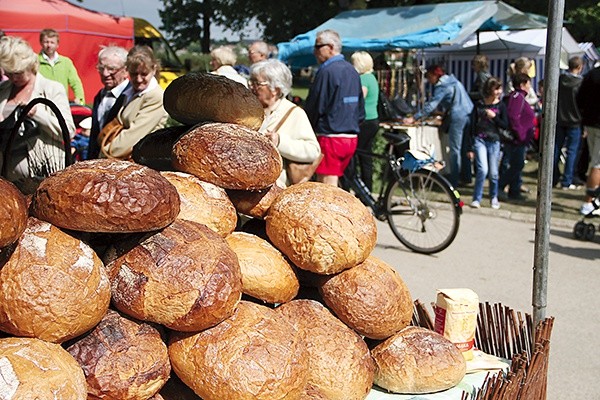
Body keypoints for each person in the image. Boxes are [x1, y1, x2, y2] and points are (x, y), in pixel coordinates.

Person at [0, 35, 75, 191]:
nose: (13, 78)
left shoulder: (52, 89)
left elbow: (68, 132)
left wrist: (37, 113)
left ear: (30, 64)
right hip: (6, 176)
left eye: (18, 72)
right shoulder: (3, 89)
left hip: (43, 177)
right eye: (9, 73)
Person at [304, 29, 364, 187]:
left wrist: (305, 127)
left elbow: (315, 105)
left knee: (326, 188)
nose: (314, 51)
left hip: (330, 138)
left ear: (330, 47)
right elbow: (360, 108)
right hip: (351, 138)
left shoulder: (326, 71)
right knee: (337, 185)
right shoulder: (352, 70)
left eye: (318, 46)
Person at [249, 59, 320, 187]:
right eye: (251, 82)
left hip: (278, 189)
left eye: (257, 83)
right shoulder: (249, 112)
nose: (251, 87)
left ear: (275, 89)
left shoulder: (294, 113)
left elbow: (313, 151)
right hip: (250, 184)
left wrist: (280, 142)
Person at [403, 65, 474, 187]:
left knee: (454, 150)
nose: (429, 80)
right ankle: (466, 177)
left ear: (435, 75)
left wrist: (415, 117)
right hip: (469, 113)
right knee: (464, 148)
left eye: (429, 77)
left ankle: (453, 181)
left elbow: (431, 105)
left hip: (457, 116)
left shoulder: (442, 86)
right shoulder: (453, 80)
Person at [99, 45, 168, 160]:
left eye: (144, 74)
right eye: (134, 74)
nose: (139, 79)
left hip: (140, 161)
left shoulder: (155, 96)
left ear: (154, 69)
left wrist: (104, 151)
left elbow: (132, 137)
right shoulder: (131, 92)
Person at [467, 77, 508, 209]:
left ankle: (493, 197)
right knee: (482, 170)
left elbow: (505, 125)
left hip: (494, 141)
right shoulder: (479, 105)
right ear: (489, 90)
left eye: (500, 88)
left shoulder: (501, 105)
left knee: (494, 172)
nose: (499, 91)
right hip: (480, 139)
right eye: (496, 88)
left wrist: (494, 117)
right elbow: (471, 125)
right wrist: (470, 147)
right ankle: (476, 198)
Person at [343, 51, 379, 191]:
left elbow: (359, 100)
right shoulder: (372, 77)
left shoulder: (363, 79)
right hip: (373, 120)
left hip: (364, 122)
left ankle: (354, 188)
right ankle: (367, 189)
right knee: (366, 157)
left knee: (353, 156)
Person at [88, 45, 130, 160]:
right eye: (101, 68)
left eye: (111, 69)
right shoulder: (99, 96)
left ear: (125, 70)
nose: (105, 74)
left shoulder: (131, 97)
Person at [498, 73, 536, 201]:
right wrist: (520, 134)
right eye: (528, 84)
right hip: (517, 139)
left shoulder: (519, 97)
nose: (530, 87)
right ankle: (500, 185)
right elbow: (513, 117)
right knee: (517, 164)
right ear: (522, 84)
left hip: (520, 139)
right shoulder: (517, 97)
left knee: (516, 165)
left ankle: (514, 191)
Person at [553, 56, 583, 190]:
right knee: (571, 152)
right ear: (579, 67)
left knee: (556, 150)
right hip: (575, 120)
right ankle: (566, 180)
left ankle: (552, 177)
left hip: (560, 118)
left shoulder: (560, 80)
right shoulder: (580, 83)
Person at [576, 64, 600, 215]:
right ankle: (588, 202)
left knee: (595, 161)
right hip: (596, 123)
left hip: (590, 122)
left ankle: (593, 200)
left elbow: (579, 98)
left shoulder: (592, 74)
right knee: (597, 164)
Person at [37, 28, 85, 104]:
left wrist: (80, 98)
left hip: (61, 103)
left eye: (52, 42)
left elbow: (75, 82)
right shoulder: (35, 61)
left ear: (57, 45)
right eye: (46, 42)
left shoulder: (66, 62)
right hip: (41, 104)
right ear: (41, 43)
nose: (49, 45)